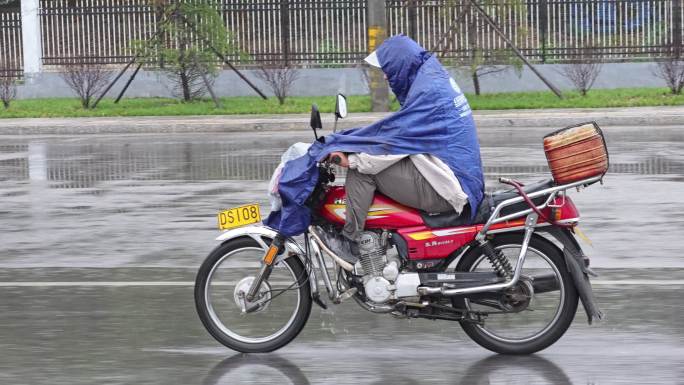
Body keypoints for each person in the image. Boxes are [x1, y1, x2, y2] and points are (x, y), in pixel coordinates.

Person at [264, 35, 484, 264]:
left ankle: (351, 242)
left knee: (362, 171)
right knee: (367, 163)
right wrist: (349, 144)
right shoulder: (430, 81)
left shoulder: (428, 92)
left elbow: (394, 142)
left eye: (388, 69)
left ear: (401, 63)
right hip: (450, 176)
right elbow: (396, 135)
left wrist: (353, 160)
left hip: (448, 187)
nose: (387, 76)